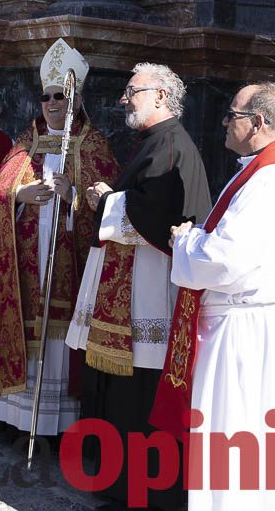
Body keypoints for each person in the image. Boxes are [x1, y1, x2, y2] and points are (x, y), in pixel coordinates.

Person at [155, 82, 275, 511]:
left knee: (235, 432)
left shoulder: (272, 178)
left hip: (243, 332)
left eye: (232, 115)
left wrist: (186, 241)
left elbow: (228, 259)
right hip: (254, 322)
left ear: (258, 123)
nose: (225, 122)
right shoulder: (266, 169)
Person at [67, 62, 212, 510]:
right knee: (123, 392)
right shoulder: (155, 143)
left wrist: (107, 200)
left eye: (133, 91)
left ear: (161, 96)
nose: (124, 99)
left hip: (150, 293)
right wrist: (111, 198)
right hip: (131, 288)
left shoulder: (172, 145)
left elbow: (160, 213)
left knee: (142, 395)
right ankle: (121, 484)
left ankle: (146, 490)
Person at [0, 39, 118, 435]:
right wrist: (19, 195)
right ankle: (13, 418)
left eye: (60, 97)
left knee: (57, 344)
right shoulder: (25, 142)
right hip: (25, 273)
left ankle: (54, 426)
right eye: (46, 96)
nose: (52, 103)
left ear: (76, 101)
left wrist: (76, 197)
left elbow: (112, 203)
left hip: (70, 267)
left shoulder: (94, 144)